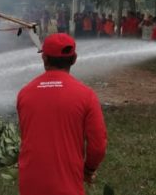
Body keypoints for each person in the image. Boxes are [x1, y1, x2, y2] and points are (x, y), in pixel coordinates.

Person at [17, 33, 107, 195]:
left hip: (30, 184)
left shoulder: (24, 93)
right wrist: (89, 169)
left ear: (44, 58)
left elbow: (26, 135)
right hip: (68, 186)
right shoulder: (86, 95)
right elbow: (98, 145)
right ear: (74, 59)